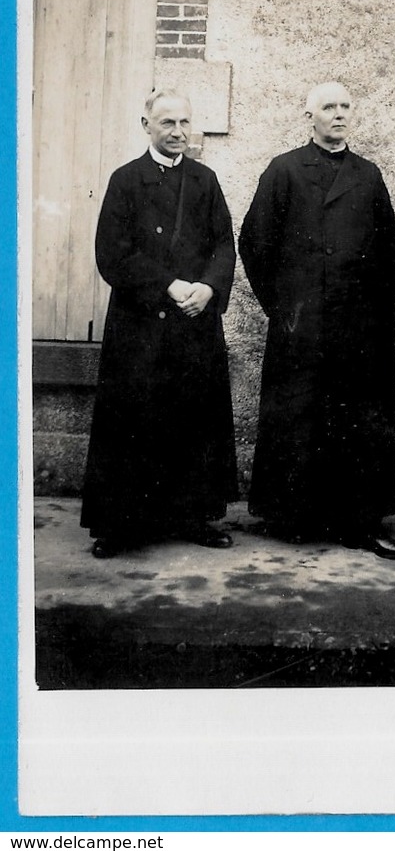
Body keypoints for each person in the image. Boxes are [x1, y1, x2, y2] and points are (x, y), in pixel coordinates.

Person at [238, 81, 395, 559]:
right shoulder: (284, 170)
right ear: (308, 116)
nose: (338, 115)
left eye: (345, 107)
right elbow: (253, 242)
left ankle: (359, 522)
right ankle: (294, 518)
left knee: (356, 422)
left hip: (359, 328)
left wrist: (377, 309)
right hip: (302, 325)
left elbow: (389, 248)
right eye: (328, 107)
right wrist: (281, 306)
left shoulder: (368, 174)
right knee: (300, 419)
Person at [81, 92, 239, 558]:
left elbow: (223, 245)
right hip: (140, 326)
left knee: (192, 422)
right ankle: (121, 527)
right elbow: (112, 253)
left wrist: (209, 288)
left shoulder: (205, 181)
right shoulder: (126, 180)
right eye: (167, 122)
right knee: (133, 424)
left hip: (194, 323)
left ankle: (194, 518)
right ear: (145, 124)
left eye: (184, 122)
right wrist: (168, 285)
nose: (177, 131)